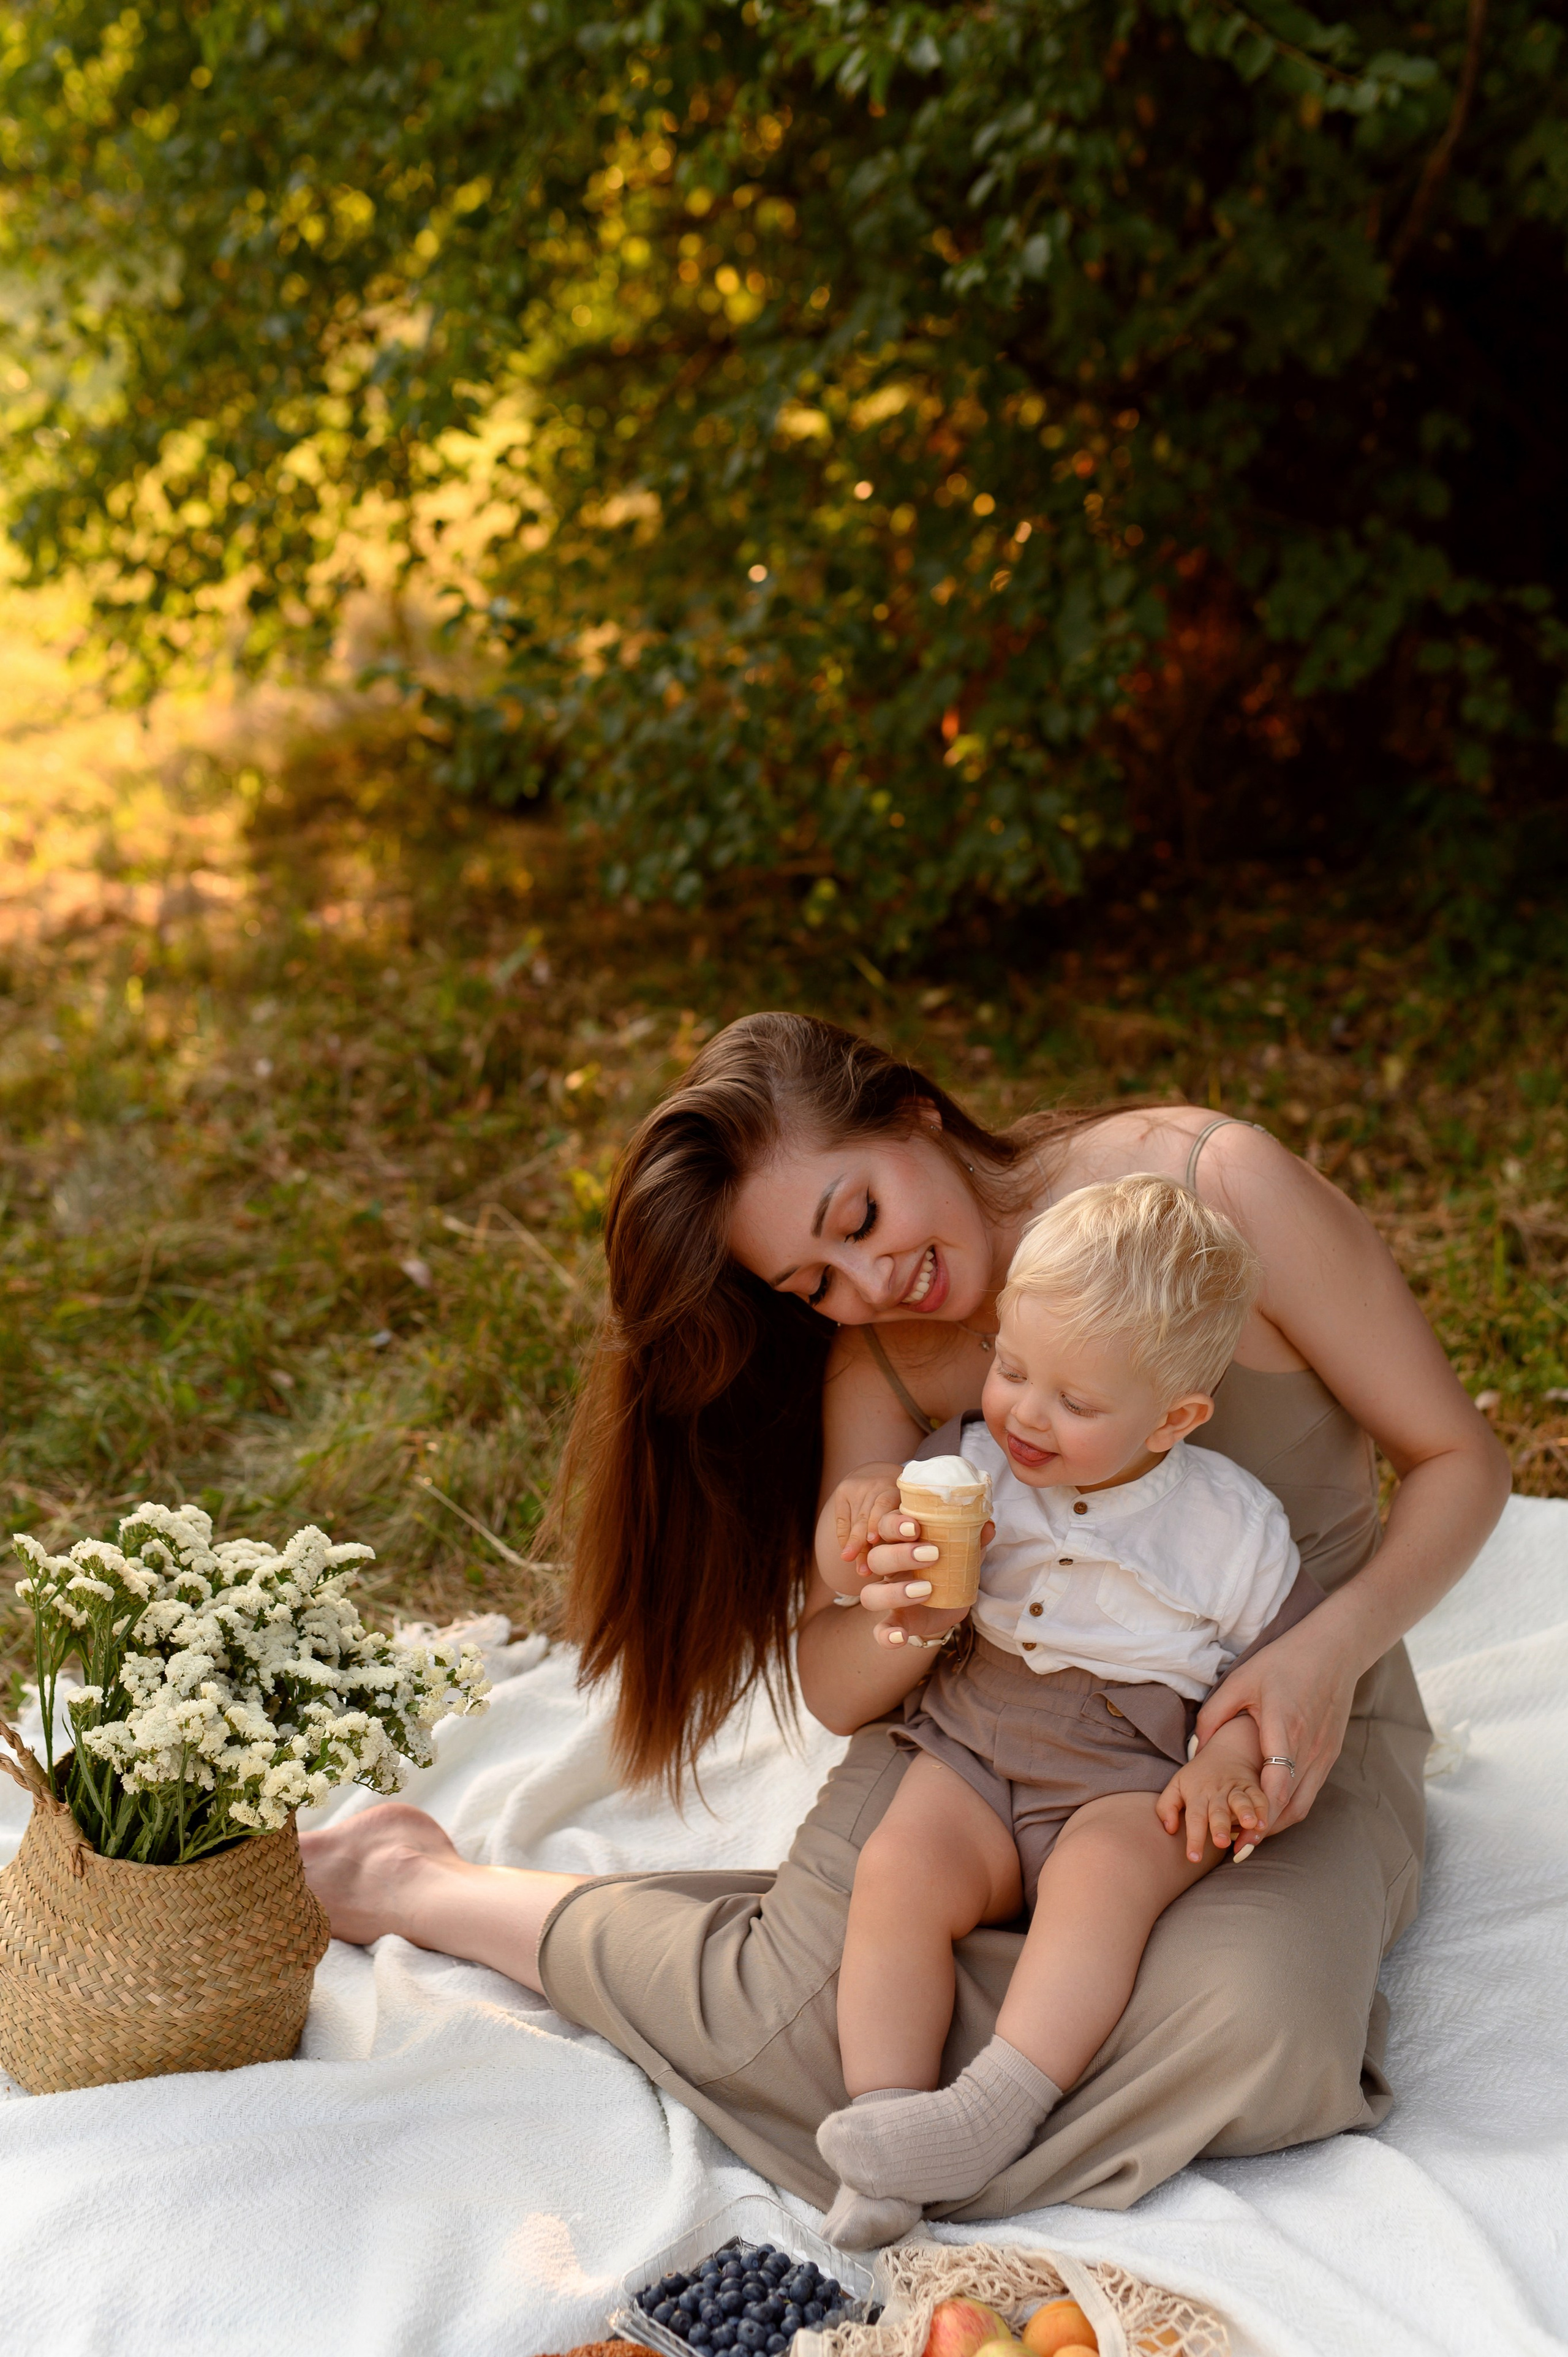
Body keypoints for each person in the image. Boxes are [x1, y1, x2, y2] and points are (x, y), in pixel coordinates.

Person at [301, 1012, 1510, 2219]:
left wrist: (1324, 1653)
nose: (872, 1284)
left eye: (859, 1217)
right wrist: (907, 1612)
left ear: (914, 1114)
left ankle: (959, 2086)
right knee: (807, 2011)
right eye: (813, 1283)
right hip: (978, 1741)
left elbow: (1459, 1459)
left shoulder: (1211, 1191)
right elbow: (834, 1687)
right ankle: (433, 1888)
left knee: (1262, 2030)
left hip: (1260, 1742)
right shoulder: (879, 1366)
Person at [815, 1174, 1322, 2247]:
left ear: (1177, 1417)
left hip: (1125, 1772)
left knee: (1103, 1882)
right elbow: (861, 1565)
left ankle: (994, 2113)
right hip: (974, 1739)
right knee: (899, 1869)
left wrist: (1226, 1757)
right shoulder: (968, 1467)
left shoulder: (1229, 1527)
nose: (1023, 1414)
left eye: (1076, 1403)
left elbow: (1274, 1667)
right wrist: (860, 1515)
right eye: (1009, 1368)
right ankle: (888, 2127)